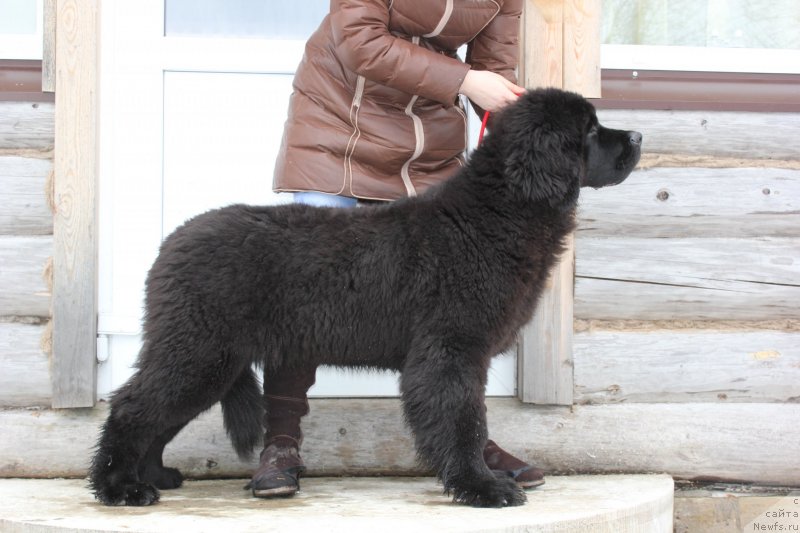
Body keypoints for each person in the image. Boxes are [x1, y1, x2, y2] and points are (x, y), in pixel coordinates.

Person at [250, 0, 543, 498]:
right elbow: (362, 43)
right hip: (338, 124)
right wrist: (466, 80)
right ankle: (280, 442)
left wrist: (523, 124)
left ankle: (467, 446)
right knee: (304, 289)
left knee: (459, 317)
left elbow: (493, 71)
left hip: (427, 143)